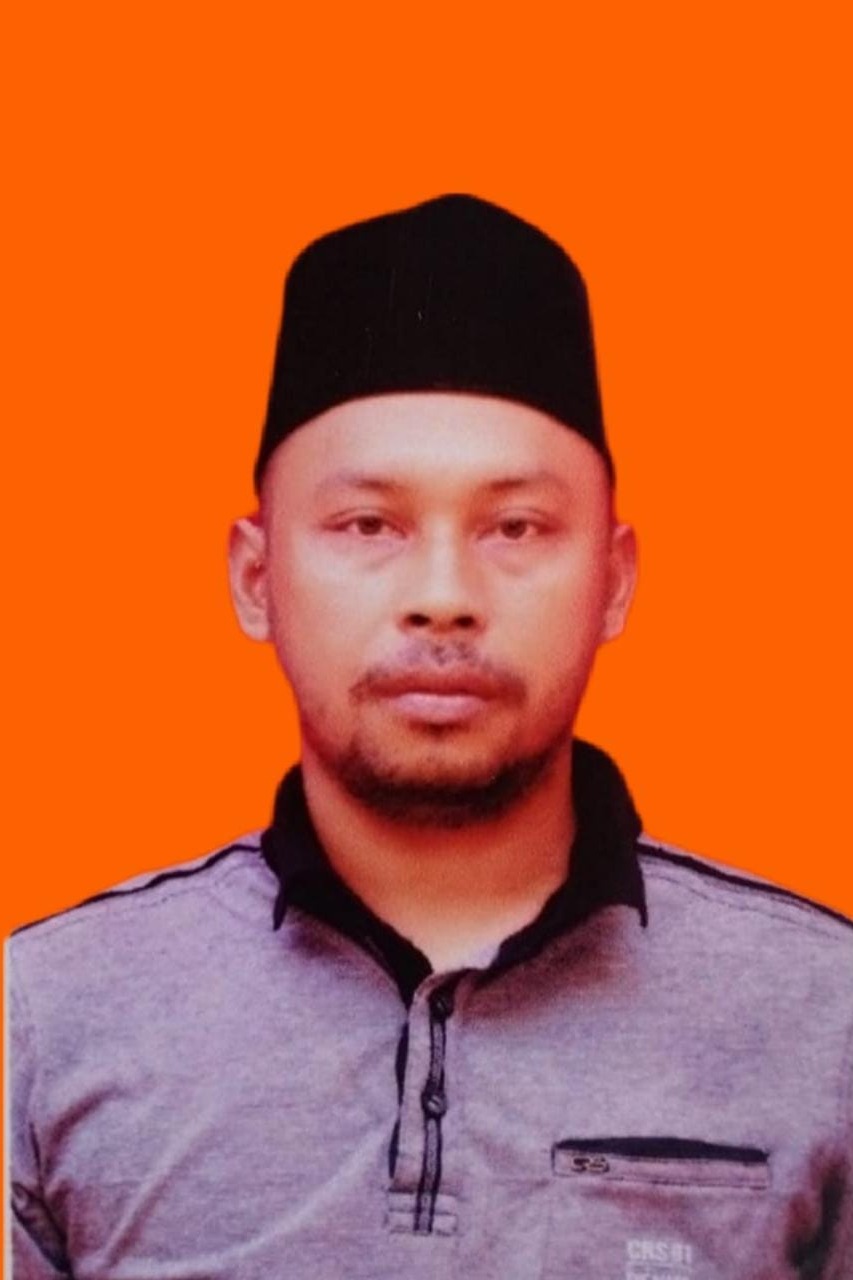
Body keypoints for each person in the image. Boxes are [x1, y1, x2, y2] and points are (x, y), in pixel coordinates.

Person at [8, 194, 852, 1280]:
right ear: (257, 578)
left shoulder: (826, 1016)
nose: (444, 596)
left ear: (613, 581)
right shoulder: (41, 1021)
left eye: (516, 527)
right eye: (369, 524)